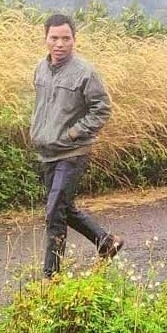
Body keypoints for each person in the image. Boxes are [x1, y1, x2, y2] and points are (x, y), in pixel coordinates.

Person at [30, 14, 123, 278]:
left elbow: (102, 109)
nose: (60, 43)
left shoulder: (85, 72)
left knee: (54, 213)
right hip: (47, 152)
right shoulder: (40, 68)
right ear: (46, 39)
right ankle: (106, 241)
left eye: (65, 38)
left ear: (74, 40)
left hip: (72, 152)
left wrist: (74, 133)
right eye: (54, 38)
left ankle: (51, 277)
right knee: (63, 208)